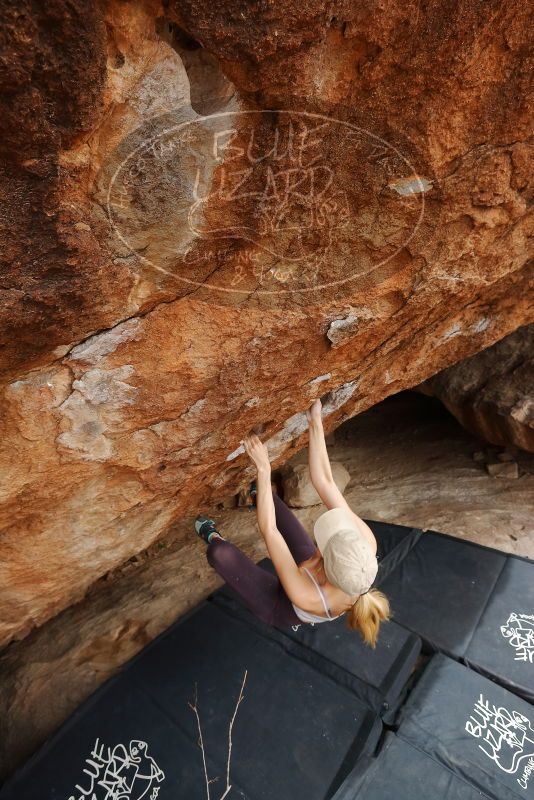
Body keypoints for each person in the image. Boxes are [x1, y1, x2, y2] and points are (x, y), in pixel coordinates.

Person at [195, 399, 391, 647]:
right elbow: (326, 482)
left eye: (325, 544)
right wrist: (315, 420)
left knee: (221, 554)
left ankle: (214, 536)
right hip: (317, 572)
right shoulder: (363, 543)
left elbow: (269, 530)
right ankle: (258, 495)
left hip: (279, 606)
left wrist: (264, 469)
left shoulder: (309, 597)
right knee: (273, 505)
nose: (323, 541)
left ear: (325, 565)